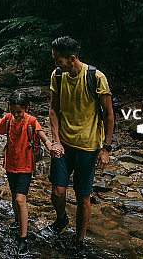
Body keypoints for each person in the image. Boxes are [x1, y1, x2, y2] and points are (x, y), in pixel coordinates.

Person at [47, 36, 114, 247]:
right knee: (58, 191)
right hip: (64, 145)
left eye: (58, 60)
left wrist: (106, 149)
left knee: (83, 196)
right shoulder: (57, 76)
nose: (55, 63)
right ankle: (61, 219)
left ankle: (79, 239)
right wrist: (55, 141)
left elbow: (109, 115)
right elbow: (53, 109)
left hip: (88, 146)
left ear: (72, 58)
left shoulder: (96, 77)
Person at [0, 89, 53, 255]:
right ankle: (18, 221)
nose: (16, 115)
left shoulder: (32, 122)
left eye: (19, 112)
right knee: (14, 196)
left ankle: (23, 239)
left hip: (26, 167)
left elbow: (44, 139)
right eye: (13, 111)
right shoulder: (8, 119)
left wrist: (52, 148)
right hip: (10, 165)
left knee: (20, 199)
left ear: (27, 108)